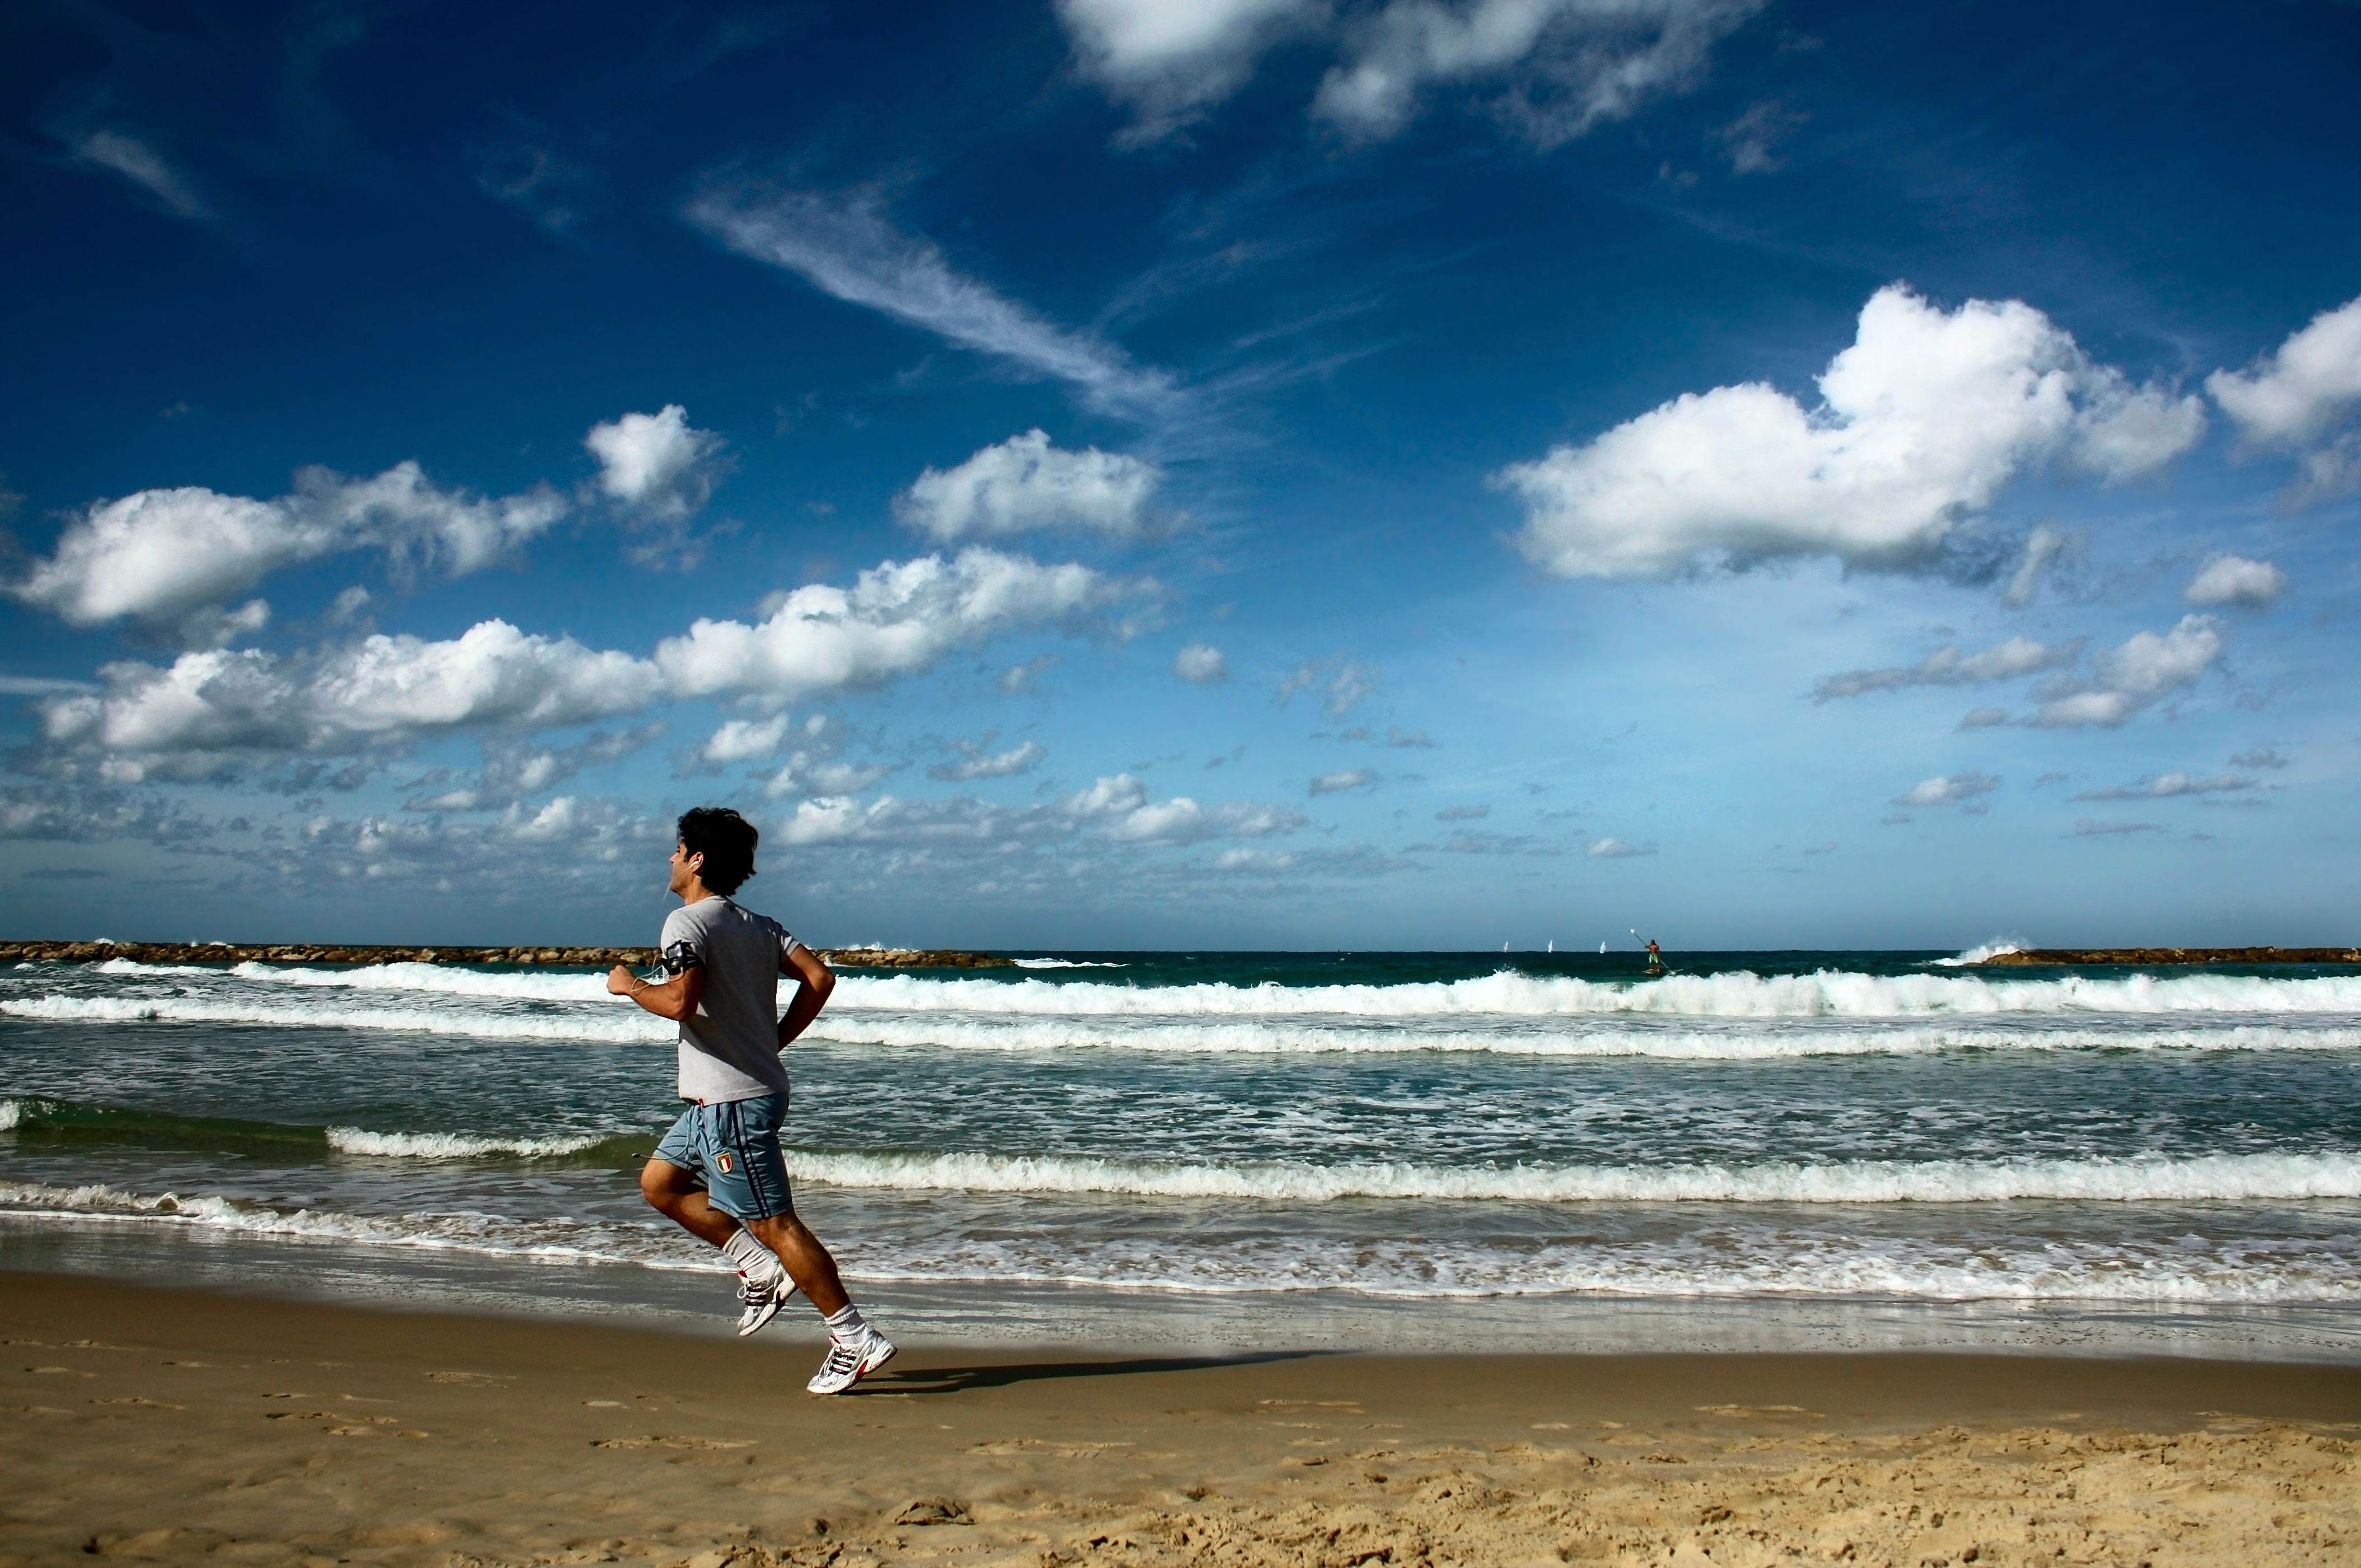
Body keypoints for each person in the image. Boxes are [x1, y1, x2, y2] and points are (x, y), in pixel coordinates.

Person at [606, 806, 895, 1396]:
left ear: (697, 858)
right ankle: (757, 1266)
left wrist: (631, 986)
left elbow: (681, 1001)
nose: (669, 858)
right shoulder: (759, 925)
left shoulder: (685, 923)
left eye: (676, 848)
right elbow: (820, 978)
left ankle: (853, 1335)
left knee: (776, 1222)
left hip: (733, 1103)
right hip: (722, 1100)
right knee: (660, 1183)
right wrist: (775, 1038)